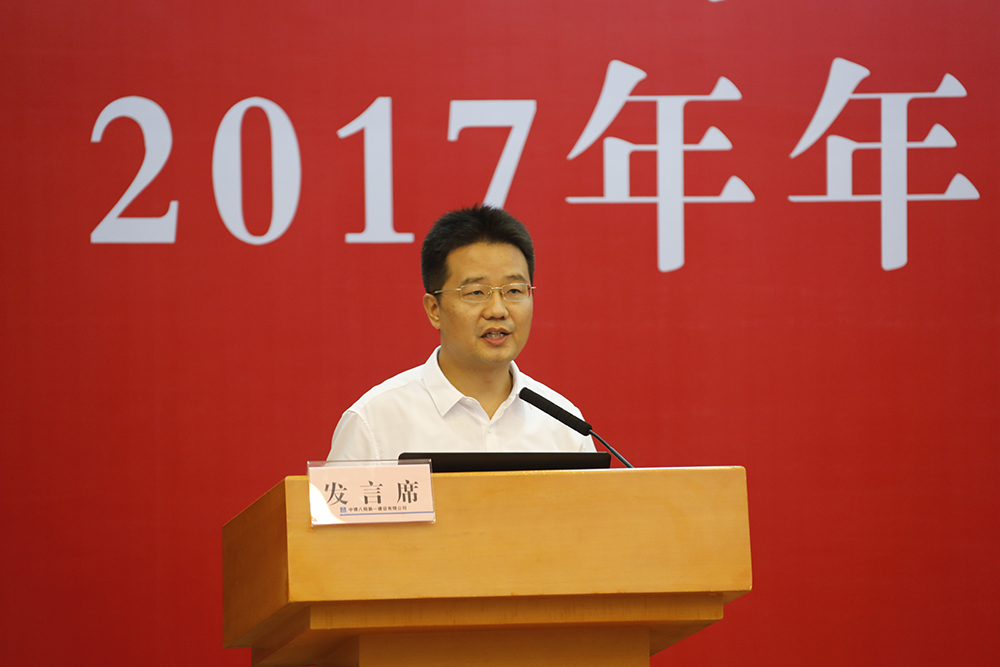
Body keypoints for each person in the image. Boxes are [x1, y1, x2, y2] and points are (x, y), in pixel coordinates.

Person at [327, 204, 595, 461]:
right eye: (476, 292)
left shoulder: (563, 424)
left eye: (514, 290)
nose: (498, 310)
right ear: (434, 309)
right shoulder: (374, 422)